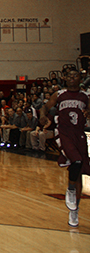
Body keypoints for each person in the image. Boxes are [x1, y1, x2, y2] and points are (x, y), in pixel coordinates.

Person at [44, 69, 90, 227]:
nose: (72, 78)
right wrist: (44, 118)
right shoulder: (59, 94)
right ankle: (70, 189)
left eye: (75, 75)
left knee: (79, 173)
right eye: (69, 75)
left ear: (80, 78)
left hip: (79, 135)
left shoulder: (86, 97)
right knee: (76, 161)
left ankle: (74, 211)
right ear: (64, 78)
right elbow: (45, 108)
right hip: (63, 133)